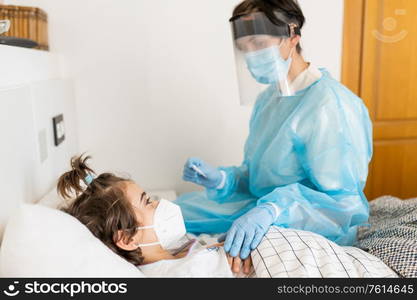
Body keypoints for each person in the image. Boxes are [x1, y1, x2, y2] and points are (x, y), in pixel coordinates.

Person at [175, 0, 373, 260]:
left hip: (310, 225)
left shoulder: (330, 106)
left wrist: (274, 211)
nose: (252, 56)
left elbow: (344, 206)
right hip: (261, 211)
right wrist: (224, 180)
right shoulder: (269, 99)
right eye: (244, 48)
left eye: (258, 43)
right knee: (173, 213)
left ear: (292, 36)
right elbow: (260, 177)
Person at [58, 155, 253, 277]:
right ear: (127, 238)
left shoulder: (174, 252)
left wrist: (218, 246)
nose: (159, 204)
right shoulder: (181, 273)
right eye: (148, 202)